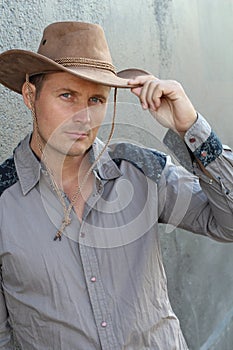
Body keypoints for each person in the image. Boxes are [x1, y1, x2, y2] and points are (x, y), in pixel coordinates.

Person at [0, 21, 232, 350]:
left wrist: (190, 127)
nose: (83, 116)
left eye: (96, 100)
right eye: (67, 96)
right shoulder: (3, 201)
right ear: (30, 95)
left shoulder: (143, 171)